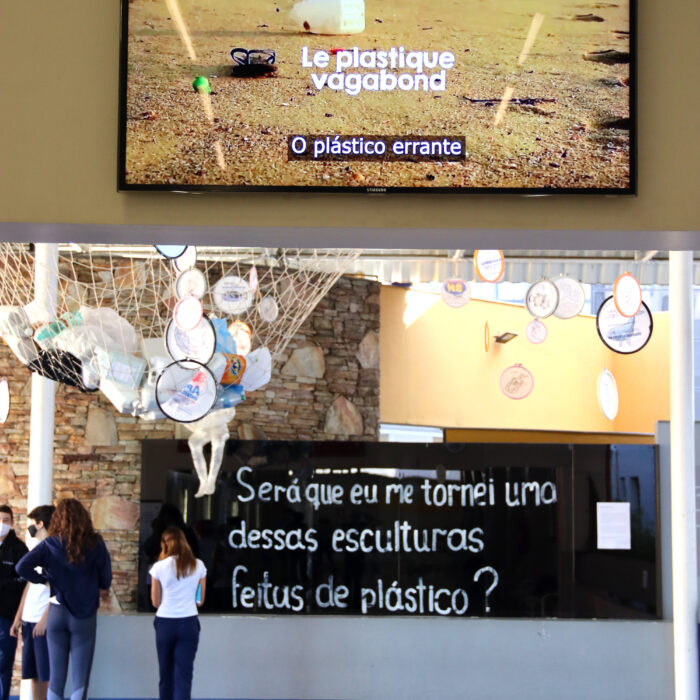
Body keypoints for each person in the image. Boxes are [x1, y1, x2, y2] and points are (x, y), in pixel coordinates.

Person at [16, 498, 112, 700]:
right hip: (84, 615)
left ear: (57, 519)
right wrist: (98, 585)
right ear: (84, 518)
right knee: (80, 678)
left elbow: (21, 567)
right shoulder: (96, 543)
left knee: (56, 678)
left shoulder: (50, 543)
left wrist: (44, 579)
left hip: (56, 612)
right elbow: (106, 579)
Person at [149, 526, 206, 700]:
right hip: (188, 623)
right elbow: (199, 601)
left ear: (164, 544)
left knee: (165, 675)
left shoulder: (158, 567)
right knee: (184, 676)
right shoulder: (198, 565)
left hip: (165, 623)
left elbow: (155, 602)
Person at [10, 505, 56, 700]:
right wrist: (18, 617)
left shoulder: (54, 551)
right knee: (34, 673)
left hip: (42, 620)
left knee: (46, 672)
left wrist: (45, 619)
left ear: (40, 524)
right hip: (29, 619)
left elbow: (58, 590)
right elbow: (29, 586)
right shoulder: (37, 550)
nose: (30, 528)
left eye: (32, 524)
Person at [0, 505, 28, 700]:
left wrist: (3, 583)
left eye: (6, 520)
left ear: (12, 523)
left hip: (7, 615)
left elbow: (25, 582)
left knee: (3, 662)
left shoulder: (19, 549)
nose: (2, 524)